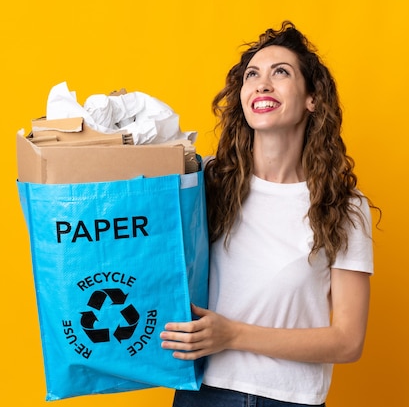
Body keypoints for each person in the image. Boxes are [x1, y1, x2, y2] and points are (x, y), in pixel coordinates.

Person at [160, 21, 376, 407]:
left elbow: (347, 340)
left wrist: (232, 335)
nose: (262, 84)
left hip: (289, 399)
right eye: (252, 75)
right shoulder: (205, 181)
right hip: (202, 392)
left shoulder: (343, 206)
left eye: (281, 72)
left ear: (312, 99)